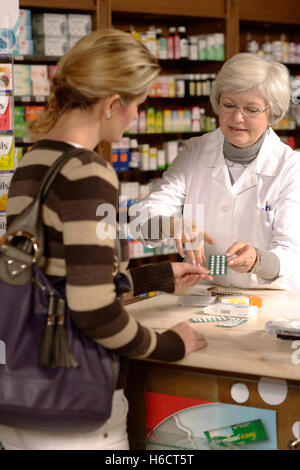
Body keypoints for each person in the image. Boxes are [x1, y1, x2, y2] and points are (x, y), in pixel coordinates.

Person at [0, 29, 213, 450]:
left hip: (23, 394)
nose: (134, 116)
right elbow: (94, 312)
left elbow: (55, 280)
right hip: (73, 402)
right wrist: (171, 344)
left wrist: (154, 276)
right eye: (136, 105)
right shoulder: (89, 172)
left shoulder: (34, 160)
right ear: (112, 103)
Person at [133, 52, 300, 290]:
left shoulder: (291, 167)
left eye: (251, 109)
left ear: (272, 114)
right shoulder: (195, 152)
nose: (237, 118)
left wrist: (257, 260)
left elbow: (293, 253)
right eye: (228, 105)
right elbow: (140, 220)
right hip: (202, 293)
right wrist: (168, 223)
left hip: (269, 300)